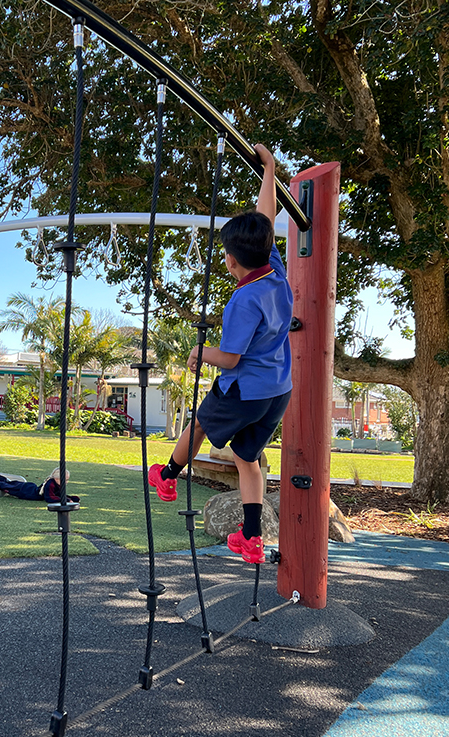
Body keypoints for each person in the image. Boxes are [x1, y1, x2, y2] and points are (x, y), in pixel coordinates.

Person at [148, 144, 292, 565]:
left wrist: (199, 351)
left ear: (231, 261)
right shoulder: (275, 271)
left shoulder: (242, 301)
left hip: (243, 390)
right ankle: (251, 538)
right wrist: (270, 170)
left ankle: (168, 476)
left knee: (198, 424)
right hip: (276, 392)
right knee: (248, 459)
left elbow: (229, 358)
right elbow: (265, 217)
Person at [0, 468, 80, 503]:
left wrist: (70, 498)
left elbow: (59, 495)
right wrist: (65, 500)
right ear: (57, 478)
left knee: (7, 482)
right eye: (65, 480)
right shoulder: (50, 484)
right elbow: (50, 498)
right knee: (3, 485)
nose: (66, 482)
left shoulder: (57, 485)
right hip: (26, 492)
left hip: (29, 488)